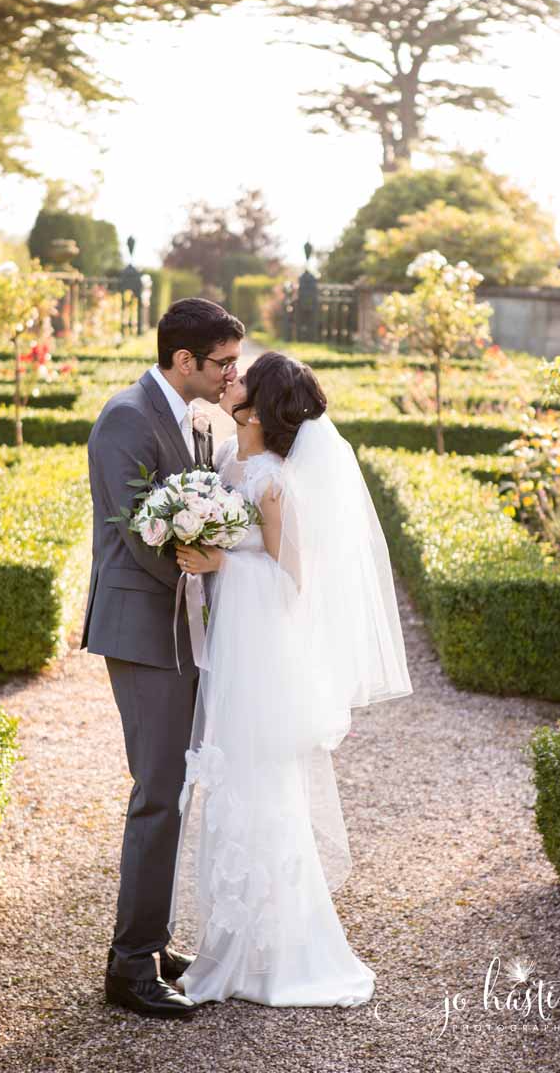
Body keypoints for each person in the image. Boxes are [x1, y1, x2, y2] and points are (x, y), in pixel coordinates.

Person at [168, 351, 413, 1007]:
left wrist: (223, 562)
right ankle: (228, 947)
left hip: (261, 653)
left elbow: (292, 581)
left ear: (259, 401)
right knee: (225, 780)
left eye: (241, 376)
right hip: (229, 645)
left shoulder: (275, 481)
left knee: (261, 785)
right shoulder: (224, 461)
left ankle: (280, 953)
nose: (230, 379)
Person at [82, 298, 245, 1019]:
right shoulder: (126, 416)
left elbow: (180, 509)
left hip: (179, 625)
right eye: (222, 363)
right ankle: (126, 968)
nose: (230, 375)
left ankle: (151, 939)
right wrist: (199, 567)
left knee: (174, 787)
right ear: (185, 361)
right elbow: (135, 531)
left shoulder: (193, 418)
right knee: (155, 792)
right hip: (144, 627)